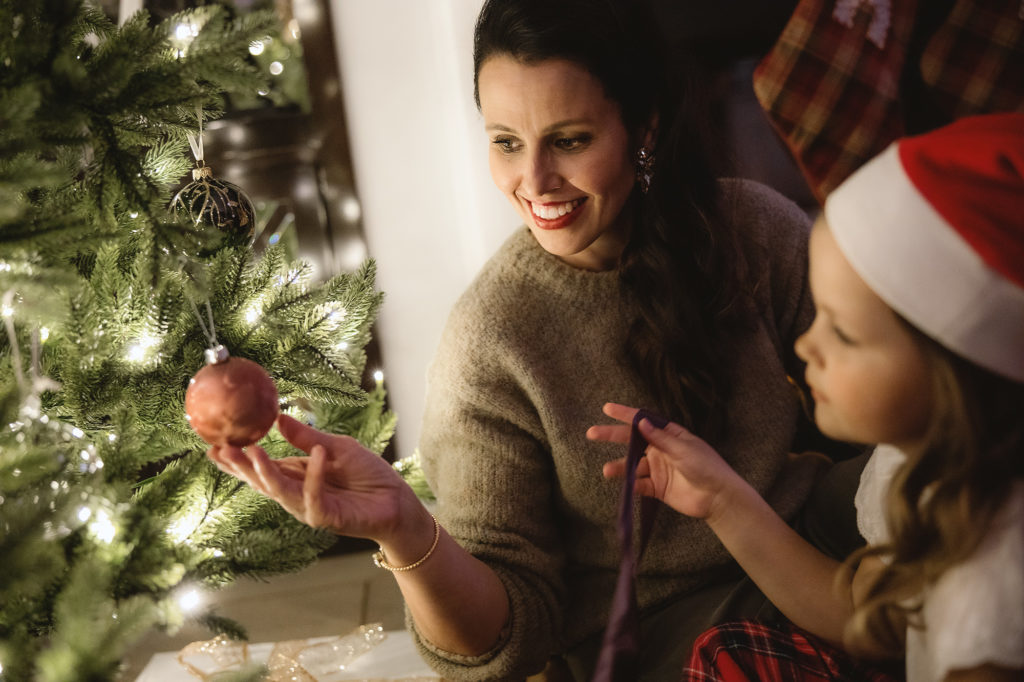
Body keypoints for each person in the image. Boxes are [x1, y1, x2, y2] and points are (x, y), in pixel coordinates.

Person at [207, 0, 864, 679]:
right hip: (668, 632)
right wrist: (403, 529)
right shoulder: (491, 342)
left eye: (571, 140)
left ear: (645, 124)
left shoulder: (751, 228)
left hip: (807, 544)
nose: (534, 182)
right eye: (506, 141)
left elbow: (886, 402)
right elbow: (501, 641)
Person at [590, 113, 1024, 681]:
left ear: (959, 374)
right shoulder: (914, 469)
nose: (805, 345)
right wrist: (724, 500)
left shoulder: (991, 592)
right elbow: (862, 618)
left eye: (843, 332)